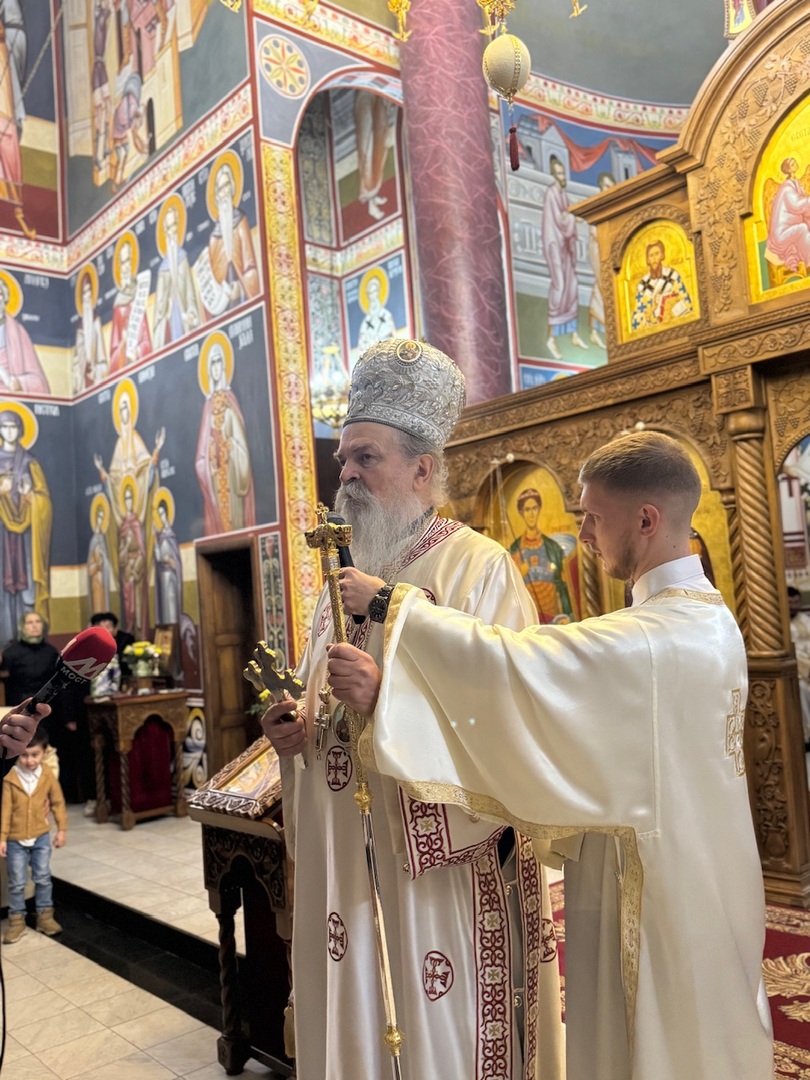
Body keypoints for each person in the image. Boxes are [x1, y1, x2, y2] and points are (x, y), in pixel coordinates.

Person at [328, 430, 774, 1080]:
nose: (582, 535)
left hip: (651, 891)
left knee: (654, 1047)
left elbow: (514, 665)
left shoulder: (653, 641)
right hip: (709, 874)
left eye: (592, 517)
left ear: (646, 520)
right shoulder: (707, 618)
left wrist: (389, 604)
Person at [261, 338, 564, 1080]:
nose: (346, 474)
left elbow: (515, 716)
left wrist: (387, 697)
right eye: (344, 458)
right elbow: (326, 714)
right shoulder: (340, 579)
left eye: (367, 457)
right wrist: (296, 735)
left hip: (435, 877)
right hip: (347, 865)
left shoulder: (477, 566)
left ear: (423, 470)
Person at [0, 726, 66, 943]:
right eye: (25, 755)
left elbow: (57, 802)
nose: (29, 761)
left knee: (43, 877)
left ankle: (45, 916)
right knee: (17, 881)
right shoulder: (10, 777)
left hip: (41, 836)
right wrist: (2, 837)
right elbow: (5, 810)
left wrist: (61, 829)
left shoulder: (46, 775)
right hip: (15, 839)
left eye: (35, 755)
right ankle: (16, 921)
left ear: (44, 753)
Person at [0, 413, 53, 653]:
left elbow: (45, 503)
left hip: (26, 539)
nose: (9, 431)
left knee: (26, 589)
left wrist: (30, 497)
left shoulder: (30, 462)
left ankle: (28, 641)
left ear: (20, 430)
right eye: (5, 427)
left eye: (13, 427)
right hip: (2, 537)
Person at [194, 338, 255, 535]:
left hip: (232, 476)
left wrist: (230, 447)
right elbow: (200, 457)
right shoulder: (208, 406)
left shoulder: (230, 401)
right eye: (212, 363)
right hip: (215, 477)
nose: (215, 367)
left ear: (224, 365)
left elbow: (241, 445)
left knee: (235, 523)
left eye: (219, 361)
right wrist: (209, 459)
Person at [509, 487, 578, 623]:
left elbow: (561, 585)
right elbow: (507, 588)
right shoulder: (514, 549)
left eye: (534, 508)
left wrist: (568, 615)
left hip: (552, 617)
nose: (531, 514)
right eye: (527, 510)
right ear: (521, 513)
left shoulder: (553, 548)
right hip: (526, 617)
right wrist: (520, 575)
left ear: (539, 509)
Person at [542, 154, 587, 361]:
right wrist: (571, 219)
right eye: (559, 173)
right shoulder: (552, 193)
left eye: (563, 173)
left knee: (572, 287)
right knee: (559, 288)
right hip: (555, 245)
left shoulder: (563, 194)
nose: (562, 177)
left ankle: (573, 333)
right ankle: (551, 338)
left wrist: (570, 218)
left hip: (565, 246)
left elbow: (565, 216)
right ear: (554, 175)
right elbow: (558, 220)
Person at [203, 161, 260, 315]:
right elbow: (211, 277)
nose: (224, 192)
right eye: (221, 189)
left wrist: (241, 287)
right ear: (217, 194)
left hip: (241, 289)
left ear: (232, 187)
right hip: (223, 297)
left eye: (227, 186)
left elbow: (250, 264)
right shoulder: (214, 237)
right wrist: (222, 291)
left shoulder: (241, 221)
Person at [152, 198, 200, 347]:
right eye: (169, 228)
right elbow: (158, 313)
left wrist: (192, 313)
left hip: (185, 320)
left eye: (174, 226)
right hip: (170, 322)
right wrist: (166, 313)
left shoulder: (183, 258)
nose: (172, 231)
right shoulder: (162, 270)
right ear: (165, 231)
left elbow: (190, 295)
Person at [109, 235, 152, 372]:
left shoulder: (139, 293)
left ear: (132, 262)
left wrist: (137, 352)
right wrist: (123, 343)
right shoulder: (118, 304)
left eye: (127, 261)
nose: (125, 267)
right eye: (122, 263)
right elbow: (113, 352)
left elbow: (147, 341)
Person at [0, 275, 49, 393]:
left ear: (4, 299)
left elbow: (39, 381)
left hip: (11, 397)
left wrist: (20, 383)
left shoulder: (18, 333)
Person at [630, 240, 693, 331]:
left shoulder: (672, 275)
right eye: (651, 255)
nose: (654, 259)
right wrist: (652, 311)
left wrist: (669, 314)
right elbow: (637, 317)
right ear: (648, 260)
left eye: (657, 254)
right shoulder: (643, 285)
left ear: (662, 255)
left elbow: (686, 303)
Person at [765, 157, 810, 273]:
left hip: (790, 229)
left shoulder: (797, 184)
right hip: (781, 234)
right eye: (792, 163)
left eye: (795, 162)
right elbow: (796, 205)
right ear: (788, 170)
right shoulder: (786, 188)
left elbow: (804, 206)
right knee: (803, 228)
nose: (796, 163)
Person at [587, 171, 615, 348]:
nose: (607, 189)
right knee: (601, 287)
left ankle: (603, 332)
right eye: (605, 186)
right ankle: (595, 331)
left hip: (613, 256)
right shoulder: (597, 208)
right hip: (600, 254)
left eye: (610, 186)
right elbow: (594, 237)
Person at [75, 269, 108, 388]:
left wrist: (96, 371)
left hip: (95, 377)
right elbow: (77, 362)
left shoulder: (96, 321)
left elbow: (103, 362)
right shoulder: (80, 328)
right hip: (84, 381)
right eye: (84, 292)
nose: (87, 295)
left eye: (89, 291)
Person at [788, 585, 810, 751]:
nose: (794, 606)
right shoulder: (781, 624)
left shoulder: (805, 619)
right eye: (790, 603)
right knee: (802, 689)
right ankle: (807, 735)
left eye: (797, 603)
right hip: (797, 670)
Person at [356, 270, 396, 353]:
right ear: (367, 295)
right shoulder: (365, 322)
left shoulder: (386, 315)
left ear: (378, 291)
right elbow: (361, 347)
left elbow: (392, 338)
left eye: (374, 291)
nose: (372, 296)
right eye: (370, 293)